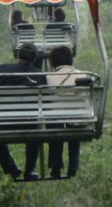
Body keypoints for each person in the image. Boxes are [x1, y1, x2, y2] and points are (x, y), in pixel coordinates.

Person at [0, 43, 45, 181]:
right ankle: (29, 170)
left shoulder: (3, 69)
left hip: (2, 123)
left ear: (18, 55)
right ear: (34, 59)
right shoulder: (39, 75)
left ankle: (10, 168)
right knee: (37, 128)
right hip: (29, 124)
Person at [47, 45, 83, 178]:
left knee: (55, 124)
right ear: (70, 60)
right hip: (80, 120)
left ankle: (56, 165)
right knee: (76, 123)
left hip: (57, 122)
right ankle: (73, 165)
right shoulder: (83, 75)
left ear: (53, 62)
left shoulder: (49, 78)